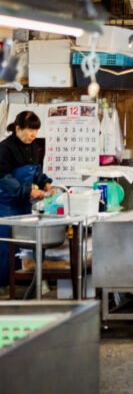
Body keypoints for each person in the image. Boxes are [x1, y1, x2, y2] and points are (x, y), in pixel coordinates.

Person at [0, 111, 53, 289]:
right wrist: (28, 192)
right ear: (17, 128)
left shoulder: (32, 146)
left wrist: (45, 183)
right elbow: (3, 178)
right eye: (29, 130)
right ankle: (4, 288)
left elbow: (35, 171)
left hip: (22, 205)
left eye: (35, 131)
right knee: (6, 248)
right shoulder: (5, 148)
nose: (33, 135)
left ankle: (23, 286)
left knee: (23, 248)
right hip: (5, 205)